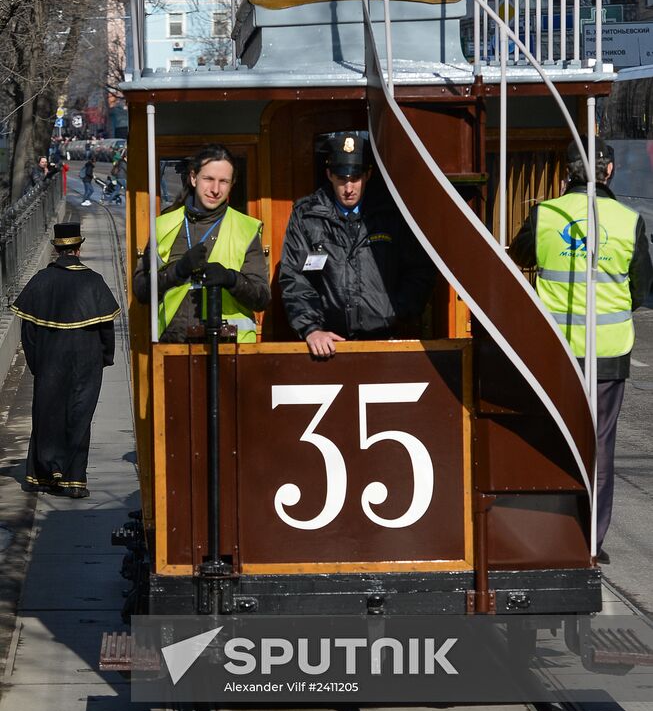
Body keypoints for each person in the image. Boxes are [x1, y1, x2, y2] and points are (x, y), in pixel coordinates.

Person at [508, 136, 653, 563]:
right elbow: (642, 288)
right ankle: (591, 541)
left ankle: (552, 533)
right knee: (600, 447)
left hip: (555, 353)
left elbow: (520, 254)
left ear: (565, 172)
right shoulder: (628, 221)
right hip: (608, 354)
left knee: (555, 440)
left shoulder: (546, 214)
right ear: (609, 171)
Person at [279, 132, 436, 357]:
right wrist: (311, 329)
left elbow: (419, 269)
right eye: (342, 178)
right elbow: (295, 277)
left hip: (386, 339)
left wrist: (397, 311)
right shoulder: (306, 216)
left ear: (368, 175)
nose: (349, 188)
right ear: (329, 175)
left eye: (355, 178)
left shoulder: (392, 214)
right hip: (327, 343)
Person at [11, 222, 120, 498]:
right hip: (86, 361)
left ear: (56, 249)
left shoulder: (41, 281)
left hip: (49, 359)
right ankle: (74, 481)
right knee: (79, 415)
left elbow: (28, 333)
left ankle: (42, 476)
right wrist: (104, 358)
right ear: (78, 249)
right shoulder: (94, 282)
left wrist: (37, 363)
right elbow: (106, 330)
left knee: (46, 414)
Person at [133, 144, 271, 342]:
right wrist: (177, 271)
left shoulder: (246, 229)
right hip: (173, 347)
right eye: (209, 179)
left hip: (230, 348)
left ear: (232, 184)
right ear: (193, 178)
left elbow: (262, 298)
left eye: (224, 181)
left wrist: (231, 279)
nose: (215, 190)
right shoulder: (163, 226)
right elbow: (141, 290)